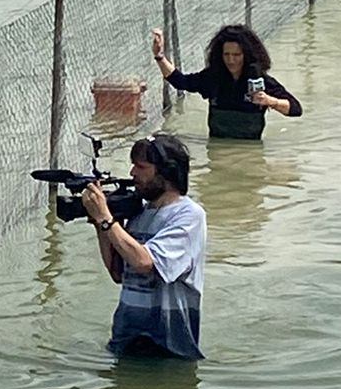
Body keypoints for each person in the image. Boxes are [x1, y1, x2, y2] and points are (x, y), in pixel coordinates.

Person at [81, 133, 206, 360]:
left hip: (167, 347)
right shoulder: (141, 213)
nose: (132, 173)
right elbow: (119, 273)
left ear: (166, 172)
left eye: (140, 167)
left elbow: (144, 262)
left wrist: (106, 219)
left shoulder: (189, 216)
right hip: (126, 337)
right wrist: (101, 226)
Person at [152, 23, 302, 142]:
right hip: (218, 149)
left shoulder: (260, 81)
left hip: (251, 152)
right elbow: (181, 82)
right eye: (227, 54)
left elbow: (295, 109)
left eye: (236, 55)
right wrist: (160, 57)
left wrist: (271, 101)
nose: (231, 60)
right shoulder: (213, 77)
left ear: (247, 55)